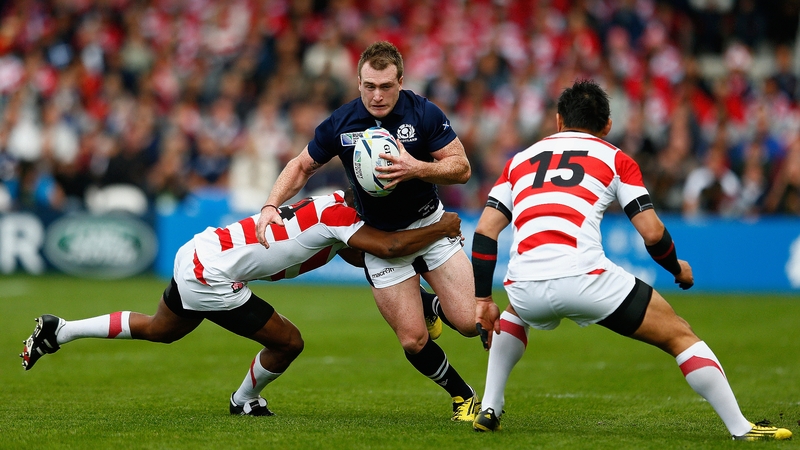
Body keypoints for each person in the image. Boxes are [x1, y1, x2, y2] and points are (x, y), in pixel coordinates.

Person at [468, 80, 792, 441]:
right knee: (679, 333)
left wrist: (483, 299)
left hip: (524, 283)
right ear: (607, 125)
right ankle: (741, 428)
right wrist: (677, 269)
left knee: (515, 311)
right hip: (584, 277)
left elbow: (485, 231)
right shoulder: (615, 158)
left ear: (558, 120)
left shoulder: (518, 161)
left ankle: (490, 407)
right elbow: (652, 232)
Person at [20, 189, 462, 416]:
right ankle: (244, 399)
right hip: (211, 275)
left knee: (161, 329)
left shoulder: (332, 206)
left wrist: (420, 300)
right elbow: (386, 248)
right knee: (289, 342)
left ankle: (61, 330)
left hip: (200, 251)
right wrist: (441, 228)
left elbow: (362, 256)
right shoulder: (343, 217)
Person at [255, 41, 486, 421]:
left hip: (429, 226)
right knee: (413, 341)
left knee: (467, 323)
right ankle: (463, 395)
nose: (377, 96)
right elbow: (301, 165)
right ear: (358, 82)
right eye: (369, 86)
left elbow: (461, 168)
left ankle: (430, 303)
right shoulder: (341, 122)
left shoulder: (424, 113)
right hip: (380, 239)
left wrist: (416, 168)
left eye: (386, 87)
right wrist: (270, 205)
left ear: (401, 82)